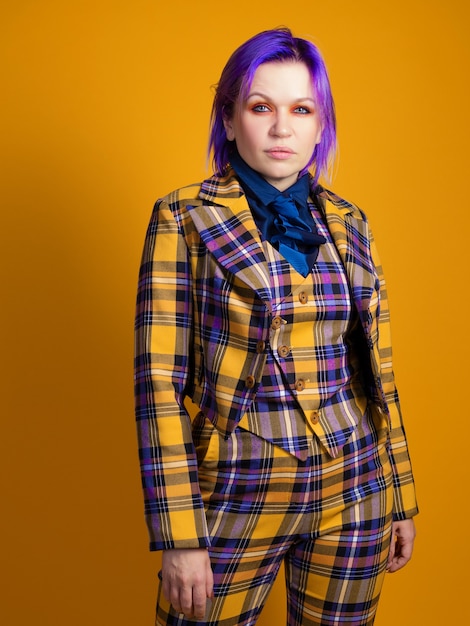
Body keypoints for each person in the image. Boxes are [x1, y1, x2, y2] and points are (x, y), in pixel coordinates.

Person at [134, 27, 418, 626]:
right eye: (261, 107)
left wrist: (400, 495)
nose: (282, 128)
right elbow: (158, 383)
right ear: (231, 119)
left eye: (301, 109)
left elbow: (377, 373)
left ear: (321, 124)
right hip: (238, 483)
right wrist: (180, 535)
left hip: (355, 484)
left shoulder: (349, 222)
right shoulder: (182, 217)